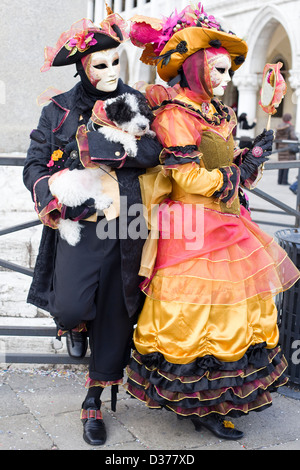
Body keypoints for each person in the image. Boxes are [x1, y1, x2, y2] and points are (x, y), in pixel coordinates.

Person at [125, 4, 300, 440]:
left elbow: (223, 167)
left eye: (227, 72)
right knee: (196, 313)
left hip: (228, 220)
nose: (224, 81)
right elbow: (186, 175)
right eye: (218, 71)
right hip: (190, 226)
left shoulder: (219, 113)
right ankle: (199, 404)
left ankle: (223, 398)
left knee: (235, 310)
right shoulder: (174, 114)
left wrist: (252, 155)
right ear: (195, 67)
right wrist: (234, 173)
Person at [23, 10, 162, 446]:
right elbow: (33, 164)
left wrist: (101, 147)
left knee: (116, 317)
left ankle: (93, 402)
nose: (109, 72)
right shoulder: (59, 109)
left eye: (115, 62)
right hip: (79, 227)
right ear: (84, 66)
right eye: (99, 64)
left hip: (127, 225)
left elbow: (154, 148)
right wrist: (53, 197)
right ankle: (74, 325)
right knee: (69, 305)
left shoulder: (136, 101)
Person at [276, 113, 298, 185]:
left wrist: (277, 147)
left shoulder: (279, 126)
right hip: (287, 148)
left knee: (280, 164)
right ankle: (284, 181)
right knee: (286, 164)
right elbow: (293, 137)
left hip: (280, 148)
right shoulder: (290, 127)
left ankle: (279, 180)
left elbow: (276, 138)